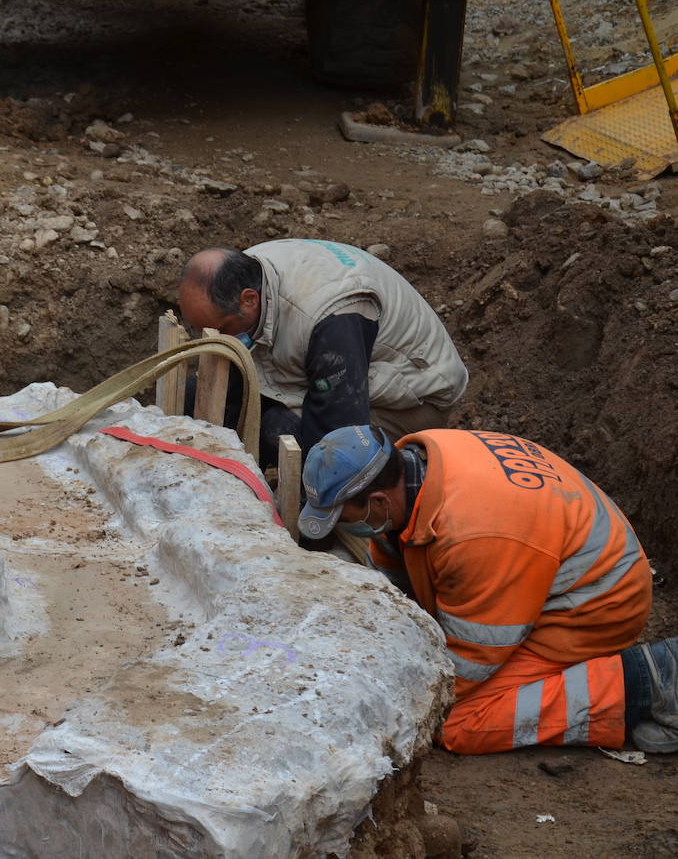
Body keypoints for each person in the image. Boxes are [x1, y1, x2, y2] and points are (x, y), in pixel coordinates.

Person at [296, 424, 675, 755]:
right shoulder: (414, 468)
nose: (348, 528)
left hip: (599, 603)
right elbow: (393, 564)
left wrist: (396, 698)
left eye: (346, 518)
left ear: (378, 501)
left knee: (455, 721)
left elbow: (469, 665)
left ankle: (650, 680)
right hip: (560, 567)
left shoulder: (473, 533)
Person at [177, 240, 468, 466]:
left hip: (409, 397)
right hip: (331, 359)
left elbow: (340, 425)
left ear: (249, 300)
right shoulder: (250, 269)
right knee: (198, 392)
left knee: (279, 431)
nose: (220, 339)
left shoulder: (331, 319)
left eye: (224, 328)